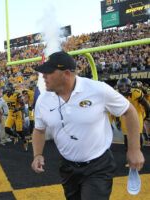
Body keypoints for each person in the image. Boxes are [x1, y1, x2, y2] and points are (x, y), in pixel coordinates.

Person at [31, 51, 144, 200]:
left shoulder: (98, 90)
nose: (43, 76)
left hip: (98, 166)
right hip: (67, 166)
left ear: (66, 74)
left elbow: (129, 111)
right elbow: (39, 130)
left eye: (48, 72)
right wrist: (37, 154)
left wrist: (134, 149)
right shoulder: (43, 100)